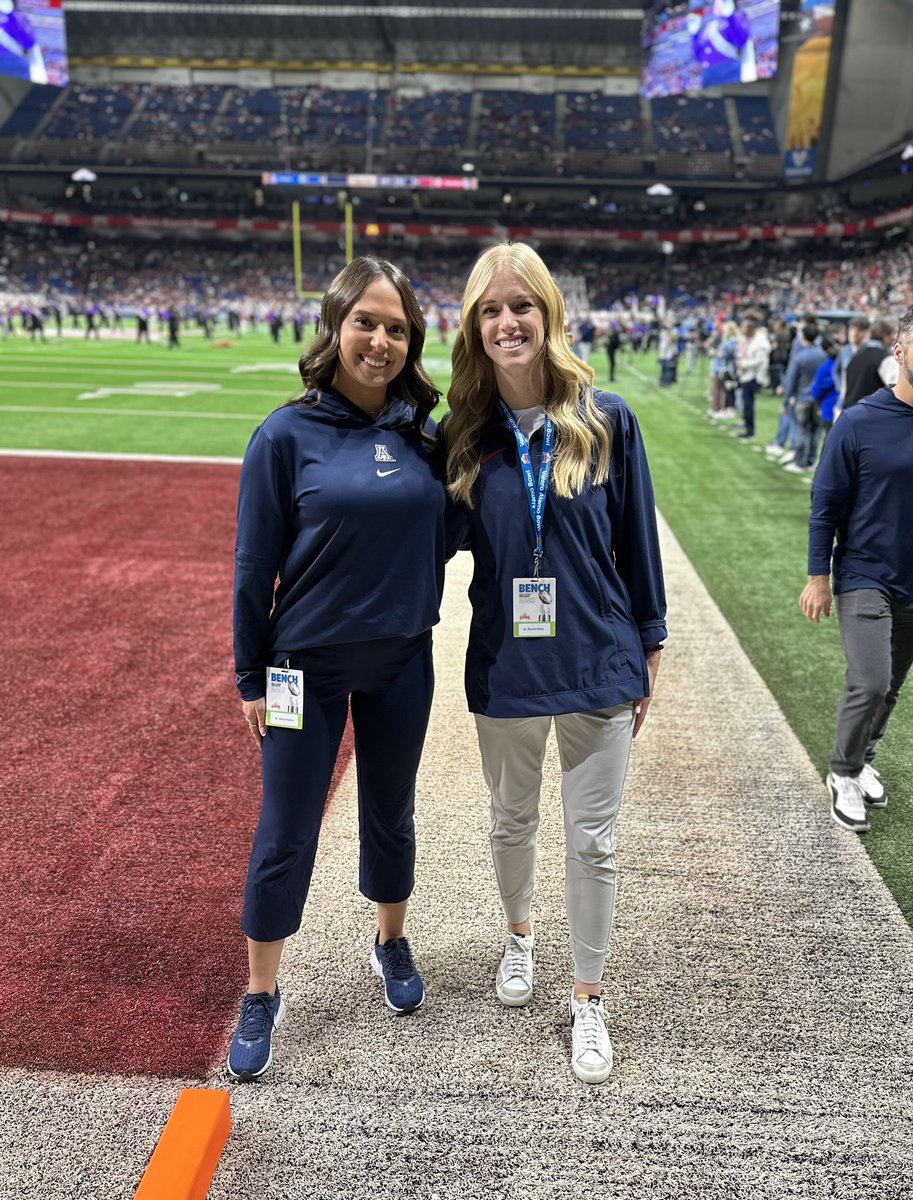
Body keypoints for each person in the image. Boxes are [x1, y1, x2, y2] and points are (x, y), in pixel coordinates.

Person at [442, 243, 667, 1086]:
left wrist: (652, 638)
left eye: (522, 306)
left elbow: (636, 540)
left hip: (599, 656)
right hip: (505, 660)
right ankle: (518, 938)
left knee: (593, 841)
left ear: (548, 315)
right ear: (476, 323)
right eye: (492, 309)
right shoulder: (463, 435)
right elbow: (416, 545)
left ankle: (588, 998)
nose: (508, 322)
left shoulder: (605, 418)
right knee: (510, 821)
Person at [229, 256, 447, 1081]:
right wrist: (250, 674)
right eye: (366, 322)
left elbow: (458, 532)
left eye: (397, 327)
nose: (381, 340)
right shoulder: (285, 436)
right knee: (286, 829)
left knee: (391, 813)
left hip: (401, 661)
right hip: (301, 671)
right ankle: (261, 992)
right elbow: (254, 566)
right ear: (334, 327)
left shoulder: (426, 438)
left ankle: (390, 941)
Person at [800, 304, 913, 834]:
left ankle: (864, 757)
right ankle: (843, 773)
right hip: (866, 573)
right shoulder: (860, 422)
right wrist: (818, 576)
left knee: (890, 687)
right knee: (869, 681)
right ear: (900, 350)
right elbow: (826, 503)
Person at [840, 318, 899, 412]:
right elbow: (897, 392)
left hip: (850, 414)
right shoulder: (886, 359)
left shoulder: (854, 357)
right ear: (886, 336)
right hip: (871, 416)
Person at [733, 310, 770, 442]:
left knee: (749, 404)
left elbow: (759, 360)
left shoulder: (761, 341)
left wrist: (744, 364)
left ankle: (750, 431)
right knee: (745, 403)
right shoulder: (747, 339)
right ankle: (746, 426)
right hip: (745, 375)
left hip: (753, 377)